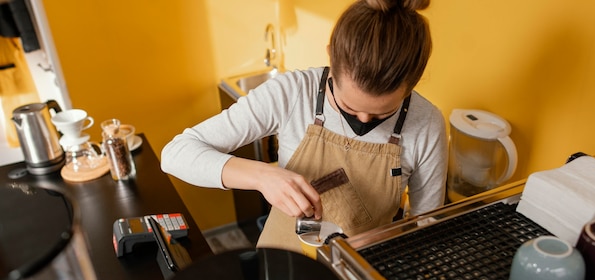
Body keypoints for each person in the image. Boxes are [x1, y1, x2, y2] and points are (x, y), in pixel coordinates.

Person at [161, 0, 448, 253]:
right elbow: (175, 154)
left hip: (363, 271)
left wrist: (386, 241)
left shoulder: (426, 123)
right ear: (330, 57)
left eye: (382, 113)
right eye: (348, 106)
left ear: (413, 84)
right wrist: (262, 177)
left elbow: (427, 225)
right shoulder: (293, 93)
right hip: (283, 260)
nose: (362, 121)